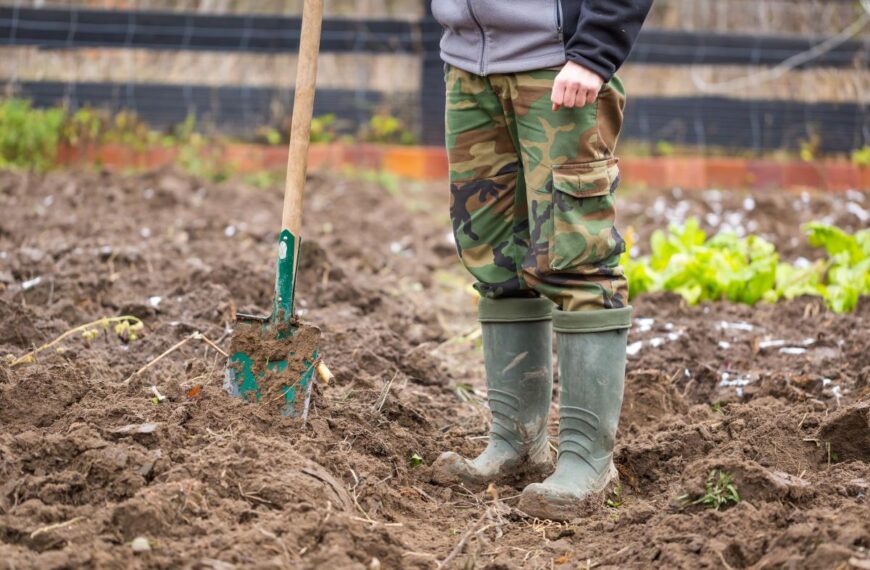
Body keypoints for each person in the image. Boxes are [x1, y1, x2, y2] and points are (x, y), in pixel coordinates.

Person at [430, 0, 653, 521]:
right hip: (468, 65)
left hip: (559, 67)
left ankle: (587, 460)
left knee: (576, 257)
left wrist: (594, 53)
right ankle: (515, 443)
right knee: (494, 261)